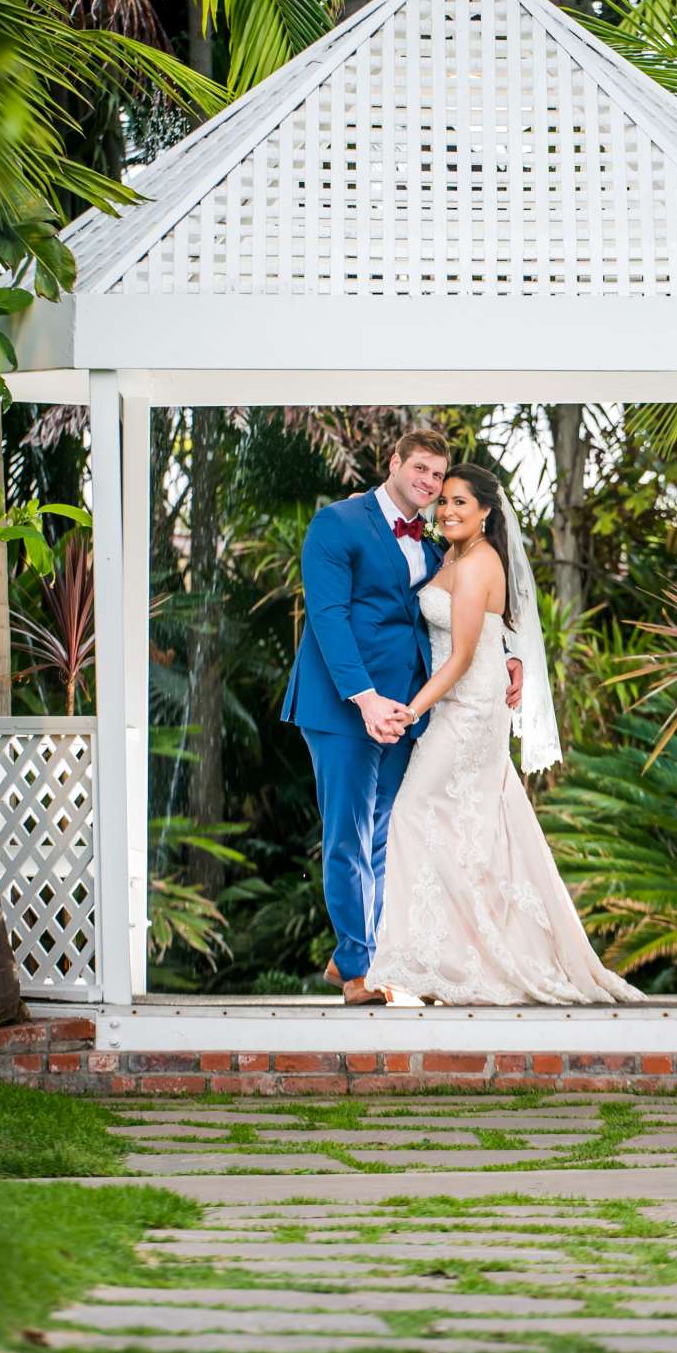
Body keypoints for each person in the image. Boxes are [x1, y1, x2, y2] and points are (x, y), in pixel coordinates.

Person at [367, 463, 643, 1007]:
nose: (446, 510)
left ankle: (456, 961)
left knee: (413, 816)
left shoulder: (476, 564)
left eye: (460, 503)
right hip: (460, 701)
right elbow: (490, 637)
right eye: (443, 501)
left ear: (487, 511)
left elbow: (466, 653)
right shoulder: (454, 555)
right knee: (471, 828)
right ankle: (455, 960)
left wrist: (409, 712)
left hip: (468, 708)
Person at [284, 429, 523, 1005]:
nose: (429, 483)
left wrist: (509, 658)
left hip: (409, 711)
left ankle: (368, 956)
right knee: (348, 833)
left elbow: (460, 617)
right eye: (419, 468)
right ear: (393, 463)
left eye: (438, 476)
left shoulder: (442, 544)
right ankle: (358, 968)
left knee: (392, 833)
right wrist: (364, 699)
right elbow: (328, 617)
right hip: (345, 707)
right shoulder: (337, 524)